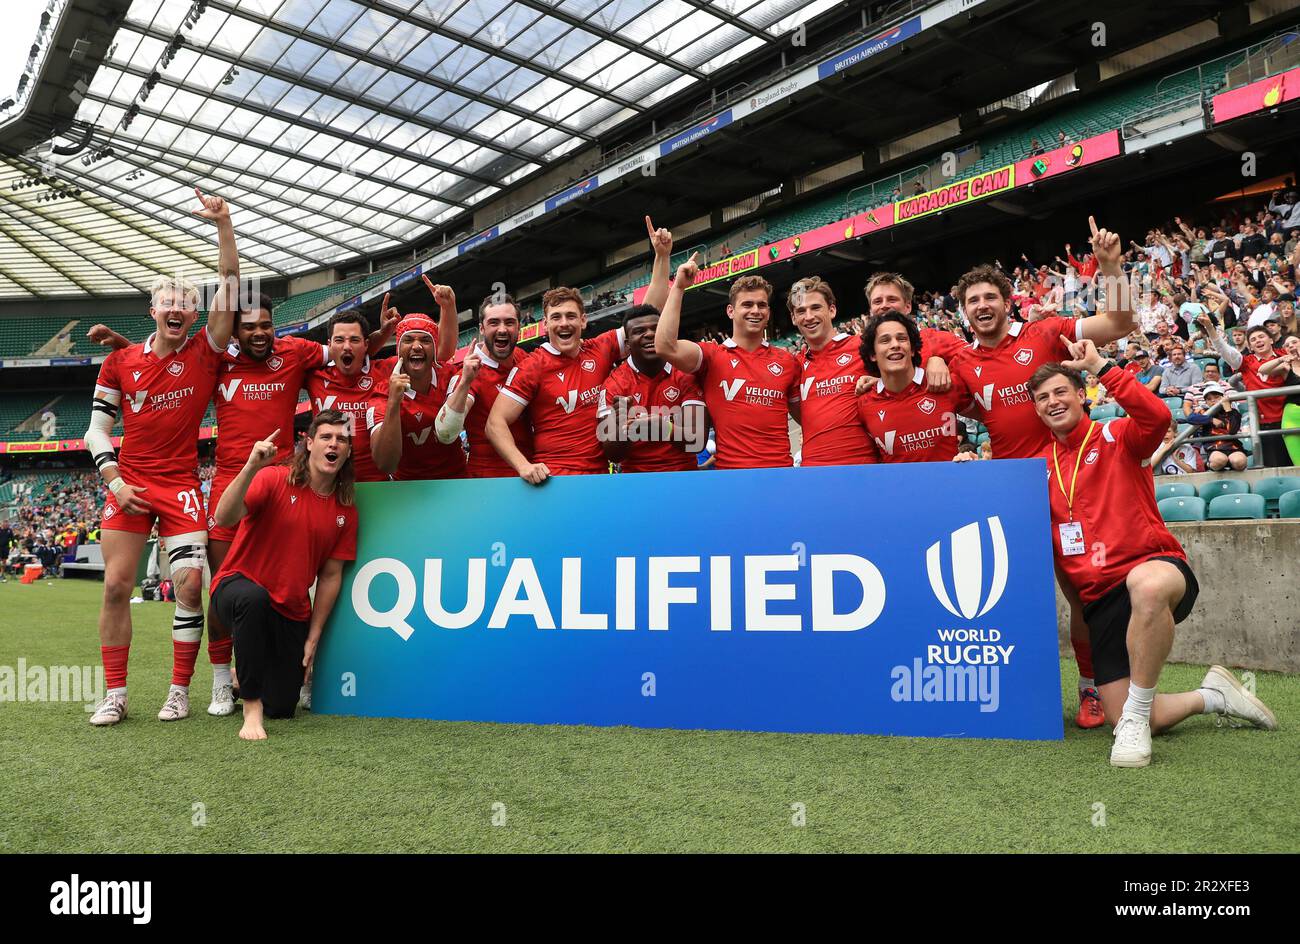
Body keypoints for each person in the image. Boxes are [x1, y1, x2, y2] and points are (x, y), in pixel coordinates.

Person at [1029, 338, 1275, 767]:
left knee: (1145, 586)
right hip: (1100, 599)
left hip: (1152, 567)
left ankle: (1136, 720)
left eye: (1060, 392)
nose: (1052, 402)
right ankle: (1211, 696)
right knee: (1118, 715)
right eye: (1042, 398)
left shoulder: (1117, 433)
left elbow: (1158, 416)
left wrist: (1102, 366)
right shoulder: (1040, 466)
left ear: (1082, 395)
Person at [945, 216, 1138, 730]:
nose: (982, 306)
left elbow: (1119, 326)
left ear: (1007, 301)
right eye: (972, 301)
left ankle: (1093, 688)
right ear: (963, 312)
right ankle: (1015, 692)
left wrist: (1112, 266)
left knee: (1084, 593)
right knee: (1006, 597)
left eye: (990, 297)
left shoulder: (1046, 332)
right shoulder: (962, 362)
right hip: (1009, 495)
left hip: (1071, 487)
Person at [85, 188, 236, 726]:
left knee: (193, 585)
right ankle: (116, 694)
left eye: (185, 303)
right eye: (167, 302)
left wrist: (223, 225)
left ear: (195, 313)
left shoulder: (204, 351)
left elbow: (231, 288)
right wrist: (114, 481)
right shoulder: (119, 362)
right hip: (129, 485)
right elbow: (96, 432)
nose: (177, 309)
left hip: (180, 486)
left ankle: (178, 691)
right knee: (116, 585)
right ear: (153, 310)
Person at [210, 411, 358, 740]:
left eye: (342, 439)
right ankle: (250, 709)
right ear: (309, 443)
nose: (334, 443)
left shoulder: (345, 511)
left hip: (289, 608)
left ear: (347, 451)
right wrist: (250, 467)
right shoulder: (274, 478)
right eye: (326, 437)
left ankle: (240, 678)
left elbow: (331, 576)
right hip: (236, 589)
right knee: (254, 599)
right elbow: (223, 517)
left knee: (283, 706)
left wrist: (313, 637)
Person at [653, 255, 801, 468]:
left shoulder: (788, 362)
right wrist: (678, 287)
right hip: (731, 480)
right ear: (730, 311)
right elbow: (665, 346)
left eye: (762, 305)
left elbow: (809, 420)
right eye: (747, 304)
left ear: (768, 313)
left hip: (779, 477)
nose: (755, 311)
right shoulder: (711, 356)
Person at [487, 286, 627, 481]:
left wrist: (662, 260)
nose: (564, 323)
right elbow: (495, 423)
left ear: (583, 320)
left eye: (571, 316)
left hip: (599, 478)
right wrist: (523, 466)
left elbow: (645, 320)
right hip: (555, 479)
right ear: (545, 324)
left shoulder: (599, 349)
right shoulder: (532, 367)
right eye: (556, 317)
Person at [596, 304, 707, 472]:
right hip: (636, 481)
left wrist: (663, 428)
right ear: (627, 345)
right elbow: (613, 455)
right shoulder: (614, 384)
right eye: (639, 331)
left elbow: (697, 441)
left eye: (656, 329)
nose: (650, 334)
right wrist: (622, 428)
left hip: (683, 477)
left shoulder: (685, 373)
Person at [855, 311, 971, 462]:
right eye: (885, 340)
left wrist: (973, 456)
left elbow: (992, 416)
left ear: (913, 349)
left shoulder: (944, 383)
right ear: (872, 354)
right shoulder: (864, 405)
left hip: (951, 484)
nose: (895, 345)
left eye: (902, 338)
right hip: (899, 485)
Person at [442, 293, 535, 478]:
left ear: (519, 326)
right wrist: (465, 383)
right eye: (494, 323)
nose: (502, 329)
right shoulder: (468, 373)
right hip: (489, 482)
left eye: (509, 322)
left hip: (533, 474)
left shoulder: (524, 358)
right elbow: (445, 433)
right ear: (482, 329)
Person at [368, 313, 467, 480]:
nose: (417, 346)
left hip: (456, 480)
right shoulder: (382, 394)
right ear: (398, 350)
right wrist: (393, 404)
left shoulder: (451, 376)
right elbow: (386, 464)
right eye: (408, 340)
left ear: (435, 349)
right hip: (408, 487)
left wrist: (447, 306)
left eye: (425, 340)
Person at [788, 277, 875, 465]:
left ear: (832, 310)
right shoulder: (793, 366)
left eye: (816, 308)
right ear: (794, 318)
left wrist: (935, 359)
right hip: (815, 472)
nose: (809, 316)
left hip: (865, 467)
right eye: (801, 311)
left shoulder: (864, 346)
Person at [1206, 318, 1288, 466]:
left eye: (1261, 337)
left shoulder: (1285, 354)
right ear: (1250, 347)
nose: (1258, 341)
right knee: (1273, 468)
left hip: (1290, 419)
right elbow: (1223, 349)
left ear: (1271, 339)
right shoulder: (1246, 362)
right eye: (1253, 339)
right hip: (1264, 425)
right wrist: (1209, 328)